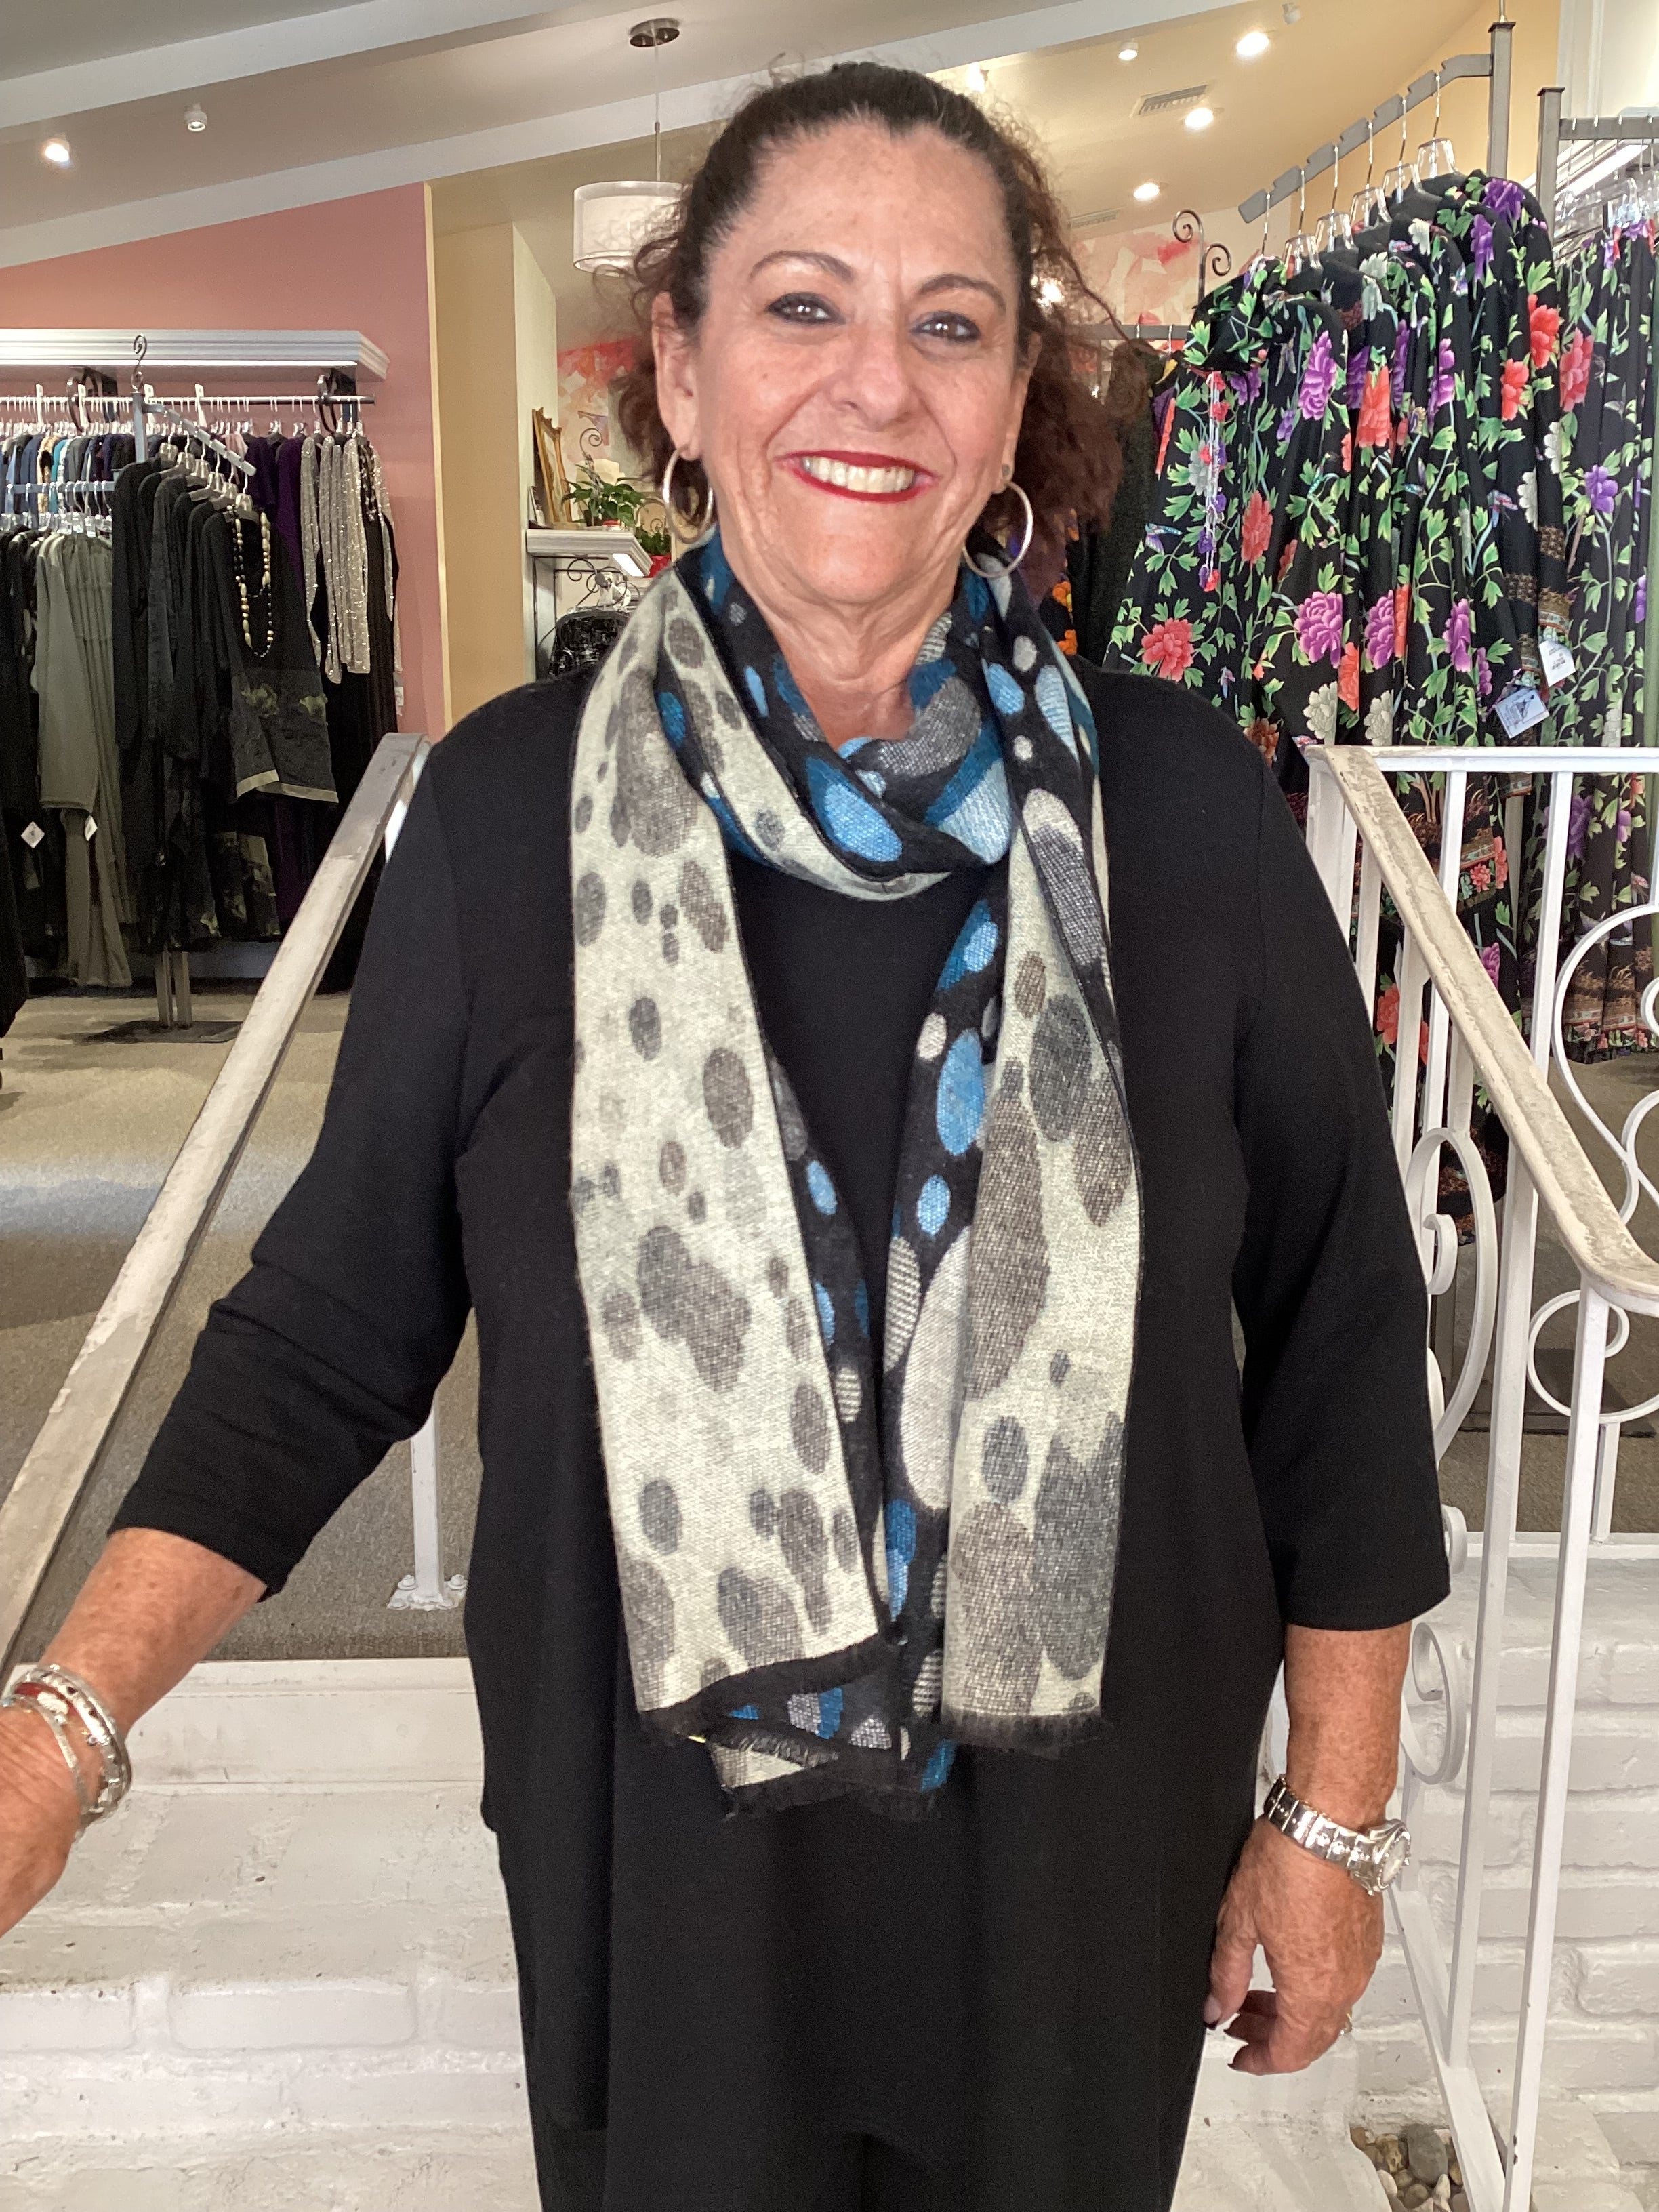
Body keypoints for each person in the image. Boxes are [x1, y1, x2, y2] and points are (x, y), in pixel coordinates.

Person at [0, 62, 1449, 2212]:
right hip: (656, 1862)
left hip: (1079, 1856)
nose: (878, 381)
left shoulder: (1186, 818)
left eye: (951, 322)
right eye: (802, 306)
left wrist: (1331, 1821)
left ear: (1016, 401)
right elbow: (324, 1332)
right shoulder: (507, 824)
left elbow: (1339, 1349)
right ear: (679, 368)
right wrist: (62, 1723)